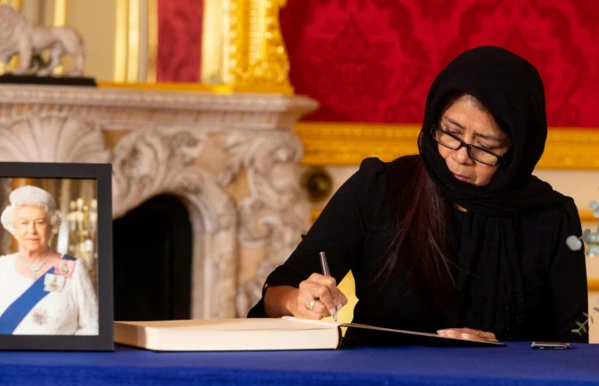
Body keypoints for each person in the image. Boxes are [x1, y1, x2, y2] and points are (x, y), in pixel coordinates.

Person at [248, 46, 589, 344]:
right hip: (376, 384)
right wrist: (299, 301)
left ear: (517, 151)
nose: (459, 155)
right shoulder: (380, 187)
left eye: (485, 147)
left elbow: (570, 346)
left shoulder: (552, 218)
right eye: (450, 133)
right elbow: (277, 292)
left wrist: (505, 349)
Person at [0, 185, 98, 335]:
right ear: (14, 228)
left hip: (57, 358)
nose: (31, 230)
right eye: (24, 223)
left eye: (39, 222)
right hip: (4, 357)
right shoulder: (1, 267)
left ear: (52, 226)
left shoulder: (72, 268)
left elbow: (92, 327)